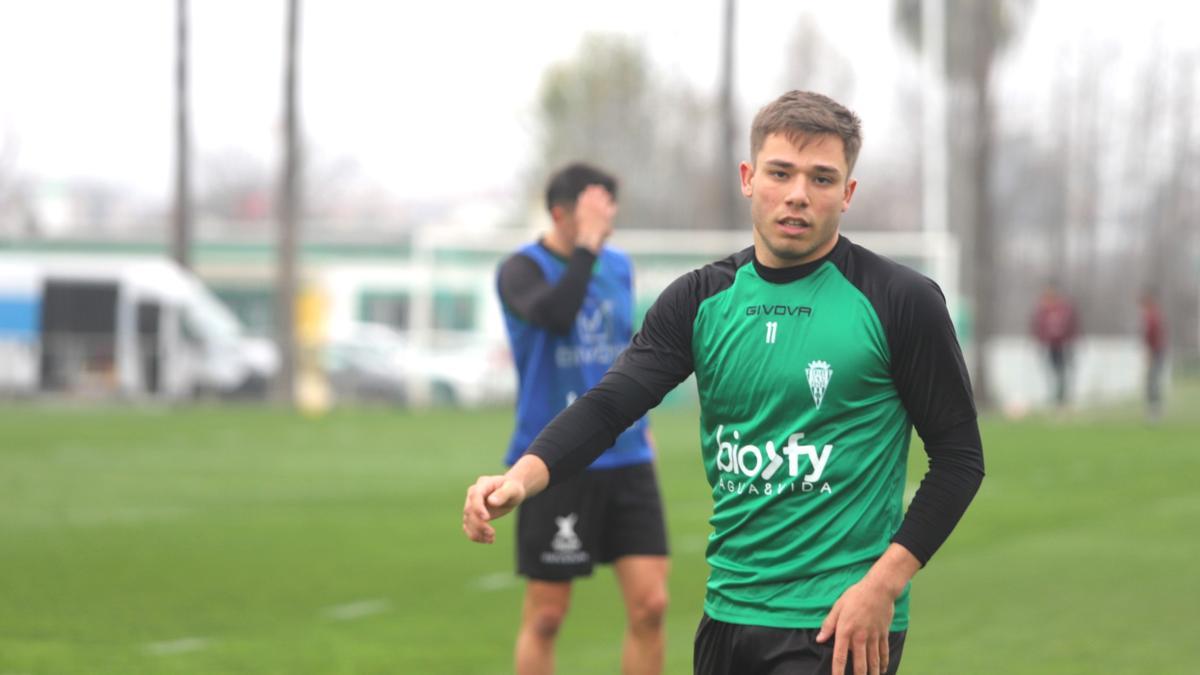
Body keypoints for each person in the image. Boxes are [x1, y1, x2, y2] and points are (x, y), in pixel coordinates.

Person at [464, 91, 985, 675]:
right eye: (780, 173)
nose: (797, 194)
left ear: (848, 193)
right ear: (748, 177)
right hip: (727, 617)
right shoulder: (700, 299)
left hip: (839, 620)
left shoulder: (900, 301)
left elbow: (960, 458)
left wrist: (883, 585)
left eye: (821, 178)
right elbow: (611, 405)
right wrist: (520, 478)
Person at [493, 162, 669, 675]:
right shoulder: (520, 270)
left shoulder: (618, 265)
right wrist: (586, 248)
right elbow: (556, 313)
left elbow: (627, 348)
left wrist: (647, 427)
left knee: (652, 605)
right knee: (547, 615)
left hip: (628, 455)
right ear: (560, 214)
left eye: (609, 213)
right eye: (594, 213)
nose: (606, 223)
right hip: (552, 461)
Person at [1031, 282, 1078, 409]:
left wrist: (1071, 340)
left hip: (1063, 345)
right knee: (1051, 371)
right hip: (1050, 346)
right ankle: (1054, 398)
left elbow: (1071, 325)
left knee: (1062, 371)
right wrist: (1039, 340)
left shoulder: (1064, 309)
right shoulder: (1043, 310)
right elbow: (1038, 327)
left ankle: (1062, 399)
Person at [1140, 289, 1166, 420]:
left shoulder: (1151, 316)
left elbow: (1151, 337)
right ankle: (1154, 410)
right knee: (1153, 381)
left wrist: (1149, 353)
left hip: (1155, 352)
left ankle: (1154, 412)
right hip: (1158, 351)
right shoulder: (1155, 315)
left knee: (1152, 381)